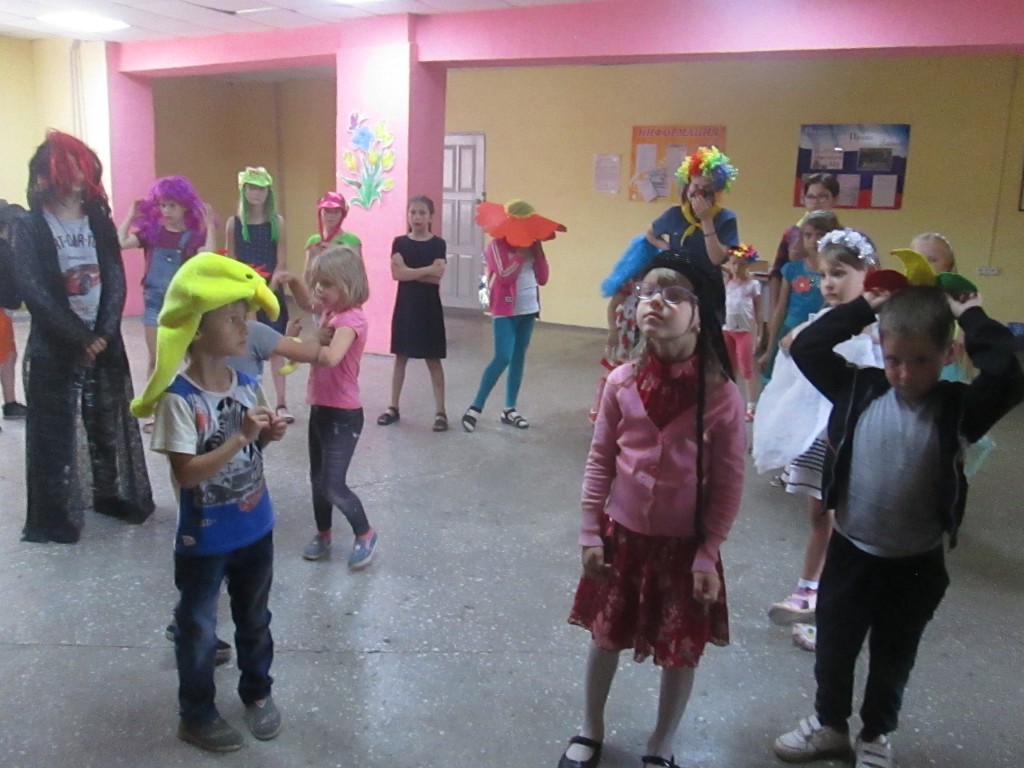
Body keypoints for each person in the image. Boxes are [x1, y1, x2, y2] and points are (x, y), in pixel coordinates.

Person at [774, 285, 1024, 768]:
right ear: (881, 349)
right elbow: (807, 347)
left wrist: (970, 314)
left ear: (948, 353)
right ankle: (830, 725)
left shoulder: (959, 407)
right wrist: (865, 306)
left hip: (915, 565)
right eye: (894, 360)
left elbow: (1008, 374)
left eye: (921, 360)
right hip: (849, 554)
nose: (906, 374)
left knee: (894, 655)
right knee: (834, 647)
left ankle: (876, 734)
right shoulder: (858, 387)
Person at [558, 252, 746, 768]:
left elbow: (728, 482)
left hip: (686, 548)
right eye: (647, 293)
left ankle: (662, 743)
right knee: (605, 635)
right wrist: (590, 531)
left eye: (674, 295)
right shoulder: (621, 382)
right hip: (622, 536)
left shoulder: (721, 395)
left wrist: (709, 551)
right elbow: (600, 460)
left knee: (680, 649)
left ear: (701, 314)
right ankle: (590, 727)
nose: (654, 302)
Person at [131, 252, 288, 753]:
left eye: (246, 317)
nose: (246, 328)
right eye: (232, 319)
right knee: (198, 629)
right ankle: (196, 715)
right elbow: (187, 473)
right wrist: (240, 437)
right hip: (205, 538)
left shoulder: (248, 385)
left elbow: (251, 453)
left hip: (256, 526)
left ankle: (257, 692)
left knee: (255, 619)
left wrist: (266, 437)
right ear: (198, 330)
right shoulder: (179, 400)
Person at [11, 130, 154, 543]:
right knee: (54, 430)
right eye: (70, 164)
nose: (79, 172)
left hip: (102, 338)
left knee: (107, 419)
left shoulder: (98, 221)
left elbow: (115, 277)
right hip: (55, 343)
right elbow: (33, 289)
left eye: (83, 164)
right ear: (48, 173)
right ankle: (54, 514)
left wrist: (104, 332)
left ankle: (113, 494)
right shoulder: (29, 226)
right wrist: (78, 337)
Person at [753, 228, 881, 652]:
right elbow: (794, 350)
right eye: (825, 274)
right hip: (817, 435)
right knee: (818, 515)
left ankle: (832, 605)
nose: (829, 283)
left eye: (840, 273)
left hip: (851, 440)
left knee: (846, 522)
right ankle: (808, 588)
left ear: (869, 275)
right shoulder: (823, 320)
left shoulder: (877, 328)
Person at [300, 245, 379, 568]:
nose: (320, 289)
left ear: (347, 284)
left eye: (327, 284)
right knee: (317, 479)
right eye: (318, 282)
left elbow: (331, 357)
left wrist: (297, 348)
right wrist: (292, 281)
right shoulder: (331, 313)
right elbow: (307, 302)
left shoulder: (350, 321)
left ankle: (365, 533)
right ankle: (324, 533)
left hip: (343, 415)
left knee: (333, 484)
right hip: (320, 408)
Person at [462, 199, 565, 432]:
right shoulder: (496, 246)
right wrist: (519, 254)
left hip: (528, 309)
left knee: (518, 357)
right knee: (503, 357)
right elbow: (505, 276)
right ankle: (475, 407)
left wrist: (538, 252)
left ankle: (509, 409)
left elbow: (543, 279)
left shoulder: (533, 246)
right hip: (504, 310)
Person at [117, 175, 216, 381]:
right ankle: (152, 398)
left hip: (182, 304)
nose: (167, 211)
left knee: (187, 357)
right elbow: (121, 242)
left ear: (185, 206)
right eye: (163, 205)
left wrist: (209, 227)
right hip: (154, 303)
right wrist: (130, 216)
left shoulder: (192, 237)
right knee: (155, 360)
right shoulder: (152, 233)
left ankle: (183, 395)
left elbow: (208, 258)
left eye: (172, 205)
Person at [225, 167, 293, 422]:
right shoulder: (234, 223)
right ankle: (250, 400)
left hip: (271, 290)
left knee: (276, 348)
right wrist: (247, 296)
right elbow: (231, 261)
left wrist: (267, 292)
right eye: (252, 188)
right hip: (244, 294)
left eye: (261, 189)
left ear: (268, 192)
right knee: (246, 346)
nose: (256, 193)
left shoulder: (277, 222)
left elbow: (282, 262)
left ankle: (282, 403)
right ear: (243, 190)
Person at [377, 195, 449, 431]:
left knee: (433, 359)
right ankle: (393, 406)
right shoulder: (399, 243)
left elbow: (436, 278)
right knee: (400, 356)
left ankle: (440, 411)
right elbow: (397, 275)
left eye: (422, 213)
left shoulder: (438, 244)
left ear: (430, 216)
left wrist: (409, 270)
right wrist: (425, 271)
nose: (417, 217)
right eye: (413, 212)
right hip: (406, 307)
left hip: (429, 307)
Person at [645, 146, 740, 317]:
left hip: (709, 291)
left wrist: (707, 220)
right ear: (688, 183)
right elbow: (650, 234)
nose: (699, 193)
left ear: (716, 192)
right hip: (677, 286)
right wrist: (668, 249)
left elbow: (717, 258)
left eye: (706, 189)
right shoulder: (674, 214)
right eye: (695, 185)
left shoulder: (726, 218)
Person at [759, 210, 839, 380]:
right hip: (789, 331)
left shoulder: (836, 272)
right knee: (782, 380)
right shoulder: (792, 269)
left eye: (820, 235)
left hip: (820, 336)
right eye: (808, 235)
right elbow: (781, 309)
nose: (814, 240)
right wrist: (769, 350)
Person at [590, 235, 662, 423]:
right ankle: (607, 412)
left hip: (644, 331)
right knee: (618, 370)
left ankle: (635, 411)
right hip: (626, 331)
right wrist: (613, 331)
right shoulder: (631, 281)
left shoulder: (656, 283)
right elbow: (612, 306)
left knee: (642, 369)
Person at [765, 173, 840, 317]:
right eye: (810, 197)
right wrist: (774, 311)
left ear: (835, 199)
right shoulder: (792, 233)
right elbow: (776, 273)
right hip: (794, 311)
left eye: (822, 197)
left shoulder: (842, 235)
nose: (816, 203)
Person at [722, 243, 763, 421]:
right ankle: (729, 403)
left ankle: (751, 406)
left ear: (747, 265)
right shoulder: (727, 283)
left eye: (741, 264)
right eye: (734, 263)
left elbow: (759, 312)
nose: (737, 268)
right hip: (727, 329)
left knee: (746, 368)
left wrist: (759, 333)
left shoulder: (753, 285)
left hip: (744, 331)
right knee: (728, 369)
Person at [0, 201, 28, 422]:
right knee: (6, 357)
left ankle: (10, 403)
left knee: (8, 356)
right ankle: (9, 404)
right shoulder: (4, 249)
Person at [303, 191, 362, 285]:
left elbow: (358, 275)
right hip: (319, 290)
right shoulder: (314, 241)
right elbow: (307, 277)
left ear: (343, 214)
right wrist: (313, 257)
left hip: (344, 290)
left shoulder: (352, 240)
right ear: (320, 212)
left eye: (336, 212)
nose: (331, 216)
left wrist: (338, 251)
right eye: (327, 211)